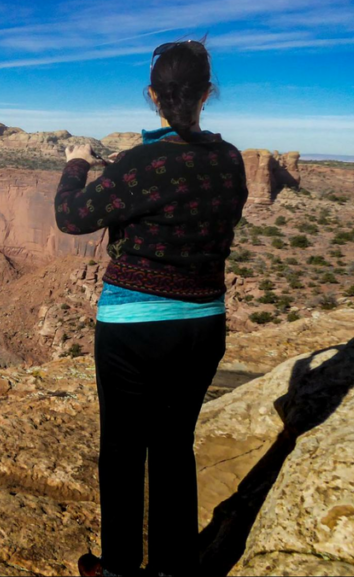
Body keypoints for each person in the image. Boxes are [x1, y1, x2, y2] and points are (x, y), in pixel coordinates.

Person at [53, 40, 248, 577]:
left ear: (152, 96)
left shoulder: (143, 162)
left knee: (121, 448)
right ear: (207, 94)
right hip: (203, 324)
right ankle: (172, 569)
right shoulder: (229, 159)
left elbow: (73, 217)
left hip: (133, 326)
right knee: (173, 446)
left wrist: (77, 165)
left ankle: (117, 569)